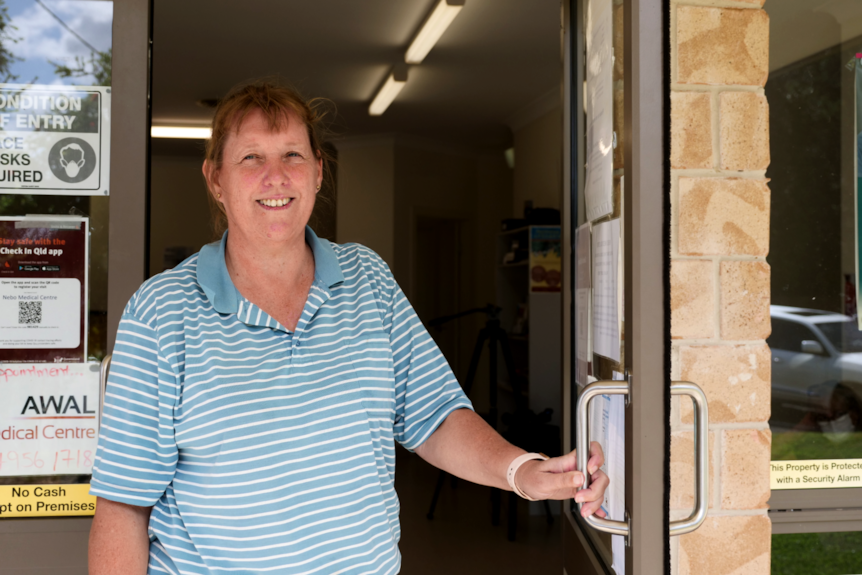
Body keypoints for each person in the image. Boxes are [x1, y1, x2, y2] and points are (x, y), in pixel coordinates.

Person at [88, 80, 609, 574]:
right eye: (251, 158)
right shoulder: (161, 312)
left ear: (317, 172)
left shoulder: (367, 280)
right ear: (216, 180)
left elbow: (434, 416)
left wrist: (523, 472)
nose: (276, 176)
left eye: (293, 154)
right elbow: (123, 506)